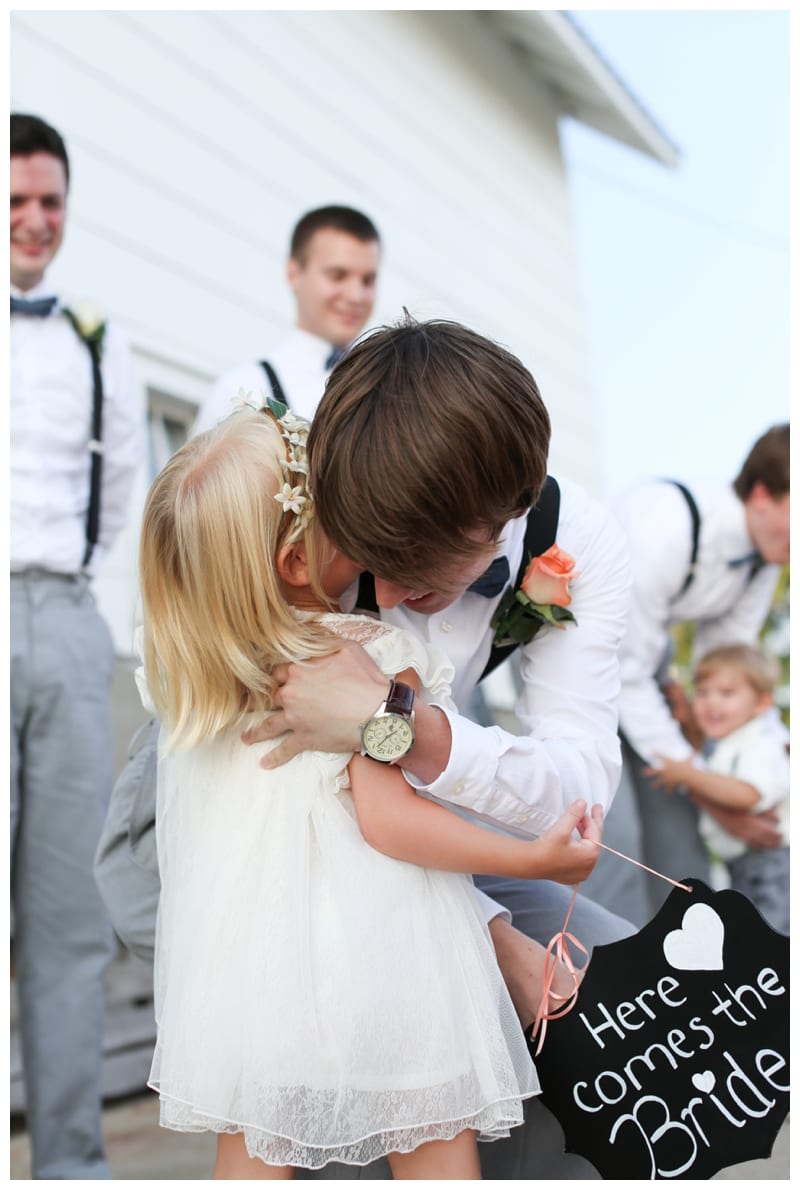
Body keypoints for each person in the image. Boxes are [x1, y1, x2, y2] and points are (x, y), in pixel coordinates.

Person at [96, 316, 633, 1178]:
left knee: (601, 1015)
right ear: (303, 551)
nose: (395, 593)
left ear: (501, 523)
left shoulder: (563, 545)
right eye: (369, 552)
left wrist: (396, 720)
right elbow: (375, 819)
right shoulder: (290, 486)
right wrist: (506, 907)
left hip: (389, 837)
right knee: (374, 1090)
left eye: (412, 566)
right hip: (228, 846)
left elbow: (571, 783)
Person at [10, 113, 144, 1178]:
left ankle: (70, 1164)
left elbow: (120, 497)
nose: (34, 221)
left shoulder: (103, 346)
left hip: (62, 617)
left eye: (50, 200)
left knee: (63, 915)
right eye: (14, 200)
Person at [581, 424, 790, 927]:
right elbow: (623, 669)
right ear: (762, 494)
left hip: (643, 668)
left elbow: (726, 669)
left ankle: (695, 979)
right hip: (583, 660)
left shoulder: (764, 561)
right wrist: (710, 793)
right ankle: (616, 976)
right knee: (617, 839)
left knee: (680, 847)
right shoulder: (665, 527)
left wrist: (770, 758)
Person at [193, 205, 380, 431]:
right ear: (294, 274)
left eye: (367, 281)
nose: (356, 295)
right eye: (337, 276)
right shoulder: (242, 389)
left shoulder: (386, 384)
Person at [645, 643, 789, 935]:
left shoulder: (762, 744)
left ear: (761, 704)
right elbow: (711, 761)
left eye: (726, 694)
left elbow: (748, 795)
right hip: (744, 866)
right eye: (702, 692)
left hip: (774, 867)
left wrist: (688, 775)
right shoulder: (731, 740)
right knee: (752, 939)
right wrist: (687, 721)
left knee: (773, 942)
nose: (711, 703)